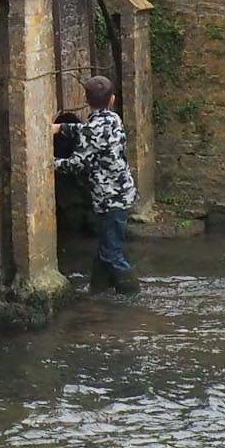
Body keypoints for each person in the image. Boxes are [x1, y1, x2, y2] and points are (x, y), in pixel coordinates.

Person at [53, 76, 138, 293]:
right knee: (105, 249)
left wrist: (50, 163)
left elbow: (75, 164)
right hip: (122, 194)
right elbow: (88, 132)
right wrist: (62, 128)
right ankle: (97, 291)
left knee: (113, 253)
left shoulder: (93, 129)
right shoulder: (114, 119)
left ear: (85, 98)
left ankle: (132, 296)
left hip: (109, 200)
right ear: (112, 99)